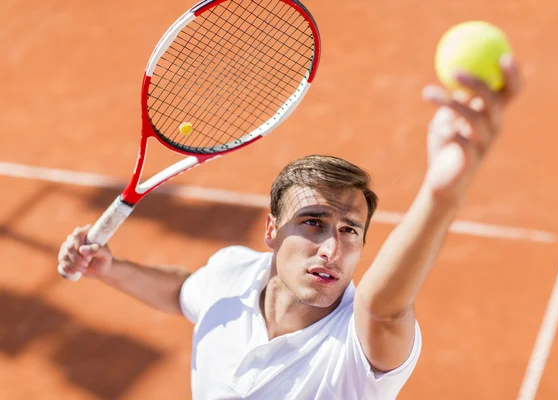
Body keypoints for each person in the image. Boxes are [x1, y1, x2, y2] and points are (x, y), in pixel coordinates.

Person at [57, 55, 521, 399]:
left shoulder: (358, 347)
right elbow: (185, 292)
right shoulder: (230, 276)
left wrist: (440, 196)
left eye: (349, 231)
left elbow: (385, 309)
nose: (330, 249)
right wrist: (109, 268)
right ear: (271, 231)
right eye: (313, 222)